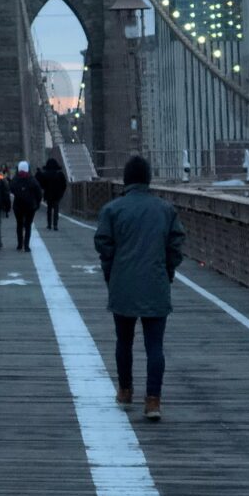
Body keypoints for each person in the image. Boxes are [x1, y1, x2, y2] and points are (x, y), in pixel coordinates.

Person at [94, 155, 185, 421]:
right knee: (155, 346)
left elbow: (103, 244)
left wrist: (111, 274)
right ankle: (153, 401)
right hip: (155, 284)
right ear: (148, 179)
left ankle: (125, 392)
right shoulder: (166, 210)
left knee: (124, 341)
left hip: (123, 284)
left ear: (126, 180)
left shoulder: (112, 209)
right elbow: (176, 244)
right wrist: (167, 270)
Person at [10, 160, 42, 252]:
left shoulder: (15, 179)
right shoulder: (32, 180)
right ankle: (26, 245)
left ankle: (19, 244)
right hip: (30, 206)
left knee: (19, 224)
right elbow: (39, 193)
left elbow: (11, 188)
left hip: (18, 205)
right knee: (28, 225)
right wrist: (37, 203)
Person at [36, 157, 68, 231]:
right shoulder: (60, 174)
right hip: (57, 194)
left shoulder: (45, 174)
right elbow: (64, 185)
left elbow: (42, 184)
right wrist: (61, 193)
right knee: (56, 209)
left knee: (49, 209)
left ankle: (49, 224)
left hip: (48, 194)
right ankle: (55, 225)